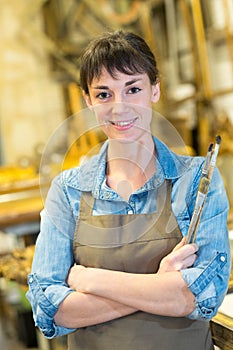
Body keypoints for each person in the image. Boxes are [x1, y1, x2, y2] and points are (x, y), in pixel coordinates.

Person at [27, 30, 231, 350]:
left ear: (155, 89)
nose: (119, 107)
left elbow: (203, 296)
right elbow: (48, 310)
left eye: (132, 88)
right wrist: (159, 285)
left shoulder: (197, 181)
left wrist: (93, 281)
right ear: (88, 101)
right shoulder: (67, 191)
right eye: (104, 94)